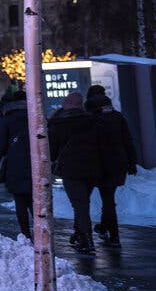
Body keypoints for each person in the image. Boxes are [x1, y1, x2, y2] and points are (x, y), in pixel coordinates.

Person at [85, 85, 138, 248]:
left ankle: (112, 234)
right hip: (118, 163)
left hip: (99, 164)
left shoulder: (91, 119)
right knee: (109, 198)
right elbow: (128, 140)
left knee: (104, 199)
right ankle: (107, 229)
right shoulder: (117, 117)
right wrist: (132, 162)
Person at [48, 91, 100, 254]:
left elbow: (52, 148)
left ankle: (86, 238)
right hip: (92, 167)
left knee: (80, 204)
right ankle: (79, 234)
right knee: (83, 203)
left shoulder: (58, 123)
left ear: (66, 104)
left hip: (70, 168)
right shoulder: (92, 120)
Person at [0, 88, 32, 238]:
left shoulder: (7, 119)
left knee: (20, 201)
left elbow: (0, 146)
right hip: (35, 164)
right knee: (35, 200)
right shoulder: (36, 116)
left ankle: (25, 234)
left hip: (15, 165)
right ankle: (41, 231)